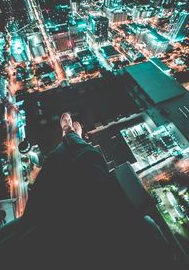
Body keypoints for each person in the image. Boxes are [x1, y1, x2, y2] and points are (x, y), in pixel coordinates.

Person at [18, 113, 174, 268]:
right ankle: (71, 136)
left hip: (56, 238)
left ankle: (69, 134)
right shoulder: (159, 256)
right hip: (98, 236)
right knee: (76, 168)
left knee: (83, 163)